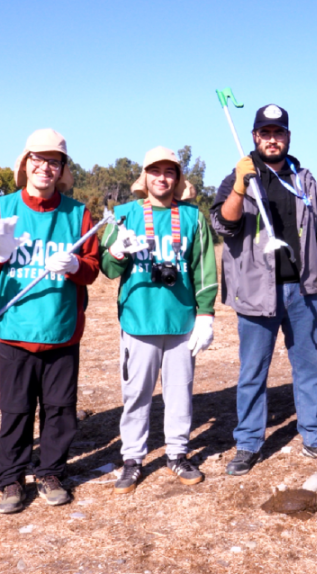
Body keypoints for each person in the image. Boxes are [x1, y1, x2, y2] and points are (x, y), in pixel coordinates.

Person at [211, 104, 317, 476]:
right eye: (265, 133)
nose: (272, 139)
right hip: (257, 293)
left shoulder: (304, 180)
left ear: (288, 136)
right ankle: (248, 443)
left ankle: (315, 436)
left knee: (310, 368)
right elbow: (223, 225)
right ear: (255, 136)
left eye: (279, 132)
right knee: (253, 371)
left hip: (302, 291)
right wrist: (240, 186)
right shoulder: (239, 177)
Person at [0, 129, 100, 513]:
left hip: (62, 328)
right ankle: (11, 478)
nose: (45, 168)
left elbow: (93, 269)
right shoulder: (1, 210)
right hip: (15, 330)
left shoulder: (78, 213)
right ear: (25, 163)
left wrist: (76, 264)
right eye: (38, 160)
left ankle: (50, 471)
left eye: (54, 162)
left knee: (60, 408)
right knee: (16, 409)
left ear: (63, 169)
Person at [99, 146, 218, 493]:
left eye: (169, 172)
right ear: (144, 176)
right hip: (139, 318)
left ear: (178, 178)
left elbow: (205, 268)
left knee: (180, 393)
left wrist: (206, 314)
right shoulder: (123, 215)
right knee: (136, 393)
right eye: (155, 171)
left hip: (181, 319)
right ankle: (133, 458)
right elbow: (107, 270)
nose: (162, 178)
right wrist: (118, 251)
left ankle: (177, 453)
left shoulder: (194, 218)